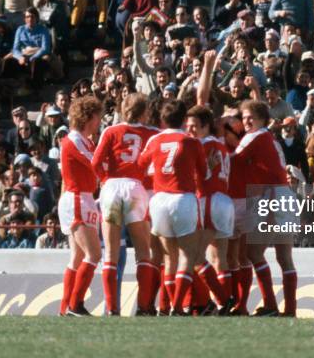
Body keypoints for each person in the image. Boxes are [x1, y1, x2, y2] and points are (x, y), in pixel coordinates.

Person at [137, 100, 206, 315]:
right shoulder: (191, 141)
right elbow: (203, 172)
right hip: (182, 198)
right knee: (187, 255)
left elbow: (140, 164)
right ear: (185, 119)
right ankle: (177, 306)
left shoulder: (155, 140)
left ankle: (165, 305)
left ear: (162, 120)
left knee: (168, 257)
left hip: (159, 200)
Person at [92, 93, 158, 315]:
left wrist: (104, 180)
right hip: (136, 188)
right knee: (143, 252)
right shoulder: (153, 134)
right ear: (144, 111)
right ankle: (143, 306)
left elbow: (95, 162)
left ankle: (112, 309)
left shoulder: (111, 131)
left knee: (110, 254)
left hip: (111, 187)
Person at [230, 100, 298, 317]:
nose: (247, 121)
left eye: (251, 117)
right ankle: (289, 310)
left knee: (253, 252)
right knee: (284, 256)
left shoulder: (253, 137)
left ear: (261, 119)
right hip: (284, 195)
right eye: (244, 117)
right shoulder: (269, 138)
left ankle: (270, 304)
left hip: (271, 197)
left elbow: (233, 160)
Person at [186, 105, 235, 314]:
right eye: (188, 126)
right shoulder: (221, 145)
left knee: (195, 255)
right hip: (224, 200)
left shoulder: (201, 145)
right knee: (219, 256)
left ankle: (221, 300)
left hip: (208, 199)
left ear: (206, 126)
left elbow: (197, 175)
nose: (190, 131)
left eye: (195, 126)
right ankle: (225, 304)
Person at [57, 96, 103, 316]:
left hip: (81, 197)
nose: (99, 121)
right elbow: (95, 163)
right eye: (97, 117)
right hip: (77, 198)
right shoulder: (73, 140)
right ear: (88, 117)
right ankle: (76, 304)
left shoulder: (85, 141)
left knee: (76, 257)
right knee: (93, 254)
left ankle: (65, 308)